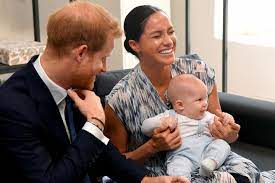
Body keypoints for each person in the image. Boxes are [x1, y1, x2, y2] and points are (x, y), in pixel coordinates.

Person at [0, 2, 189, 183]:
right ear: (81, 53)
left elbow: (102, 151)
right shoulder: (12, 107)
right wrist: (95, 124)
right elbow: (51, 179)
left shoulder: (78, 84)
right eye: (103, 58)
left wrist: (147, 180)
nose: (104, 69)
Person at [104, 4, 264, 182]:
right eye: (157, 35)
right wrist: (152, 146)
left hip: (215, 160)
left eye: (171, 32)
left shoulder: (199, 71)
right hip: (168, 174)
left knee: (247, 173)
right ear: (135, 45)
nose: (169, 41)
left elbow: (223, 131)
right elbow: (113, 165)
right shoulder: (120, 99)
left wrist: (228, 132)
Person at [141, 74, 237, 180]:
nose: (205, 104)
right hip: (183, 155)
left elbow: (224, 125)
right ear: (180, 105)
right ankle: (181, 179)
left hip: (207, 151)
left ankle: (210, 163)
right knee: (176, 166)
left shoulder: (207, 116)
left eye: (206, 99)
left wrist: (228, 119)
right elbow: (145, 127)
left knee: (222, 145)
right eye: (199, 100)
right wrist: (162, 122)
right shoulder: (170, 116)